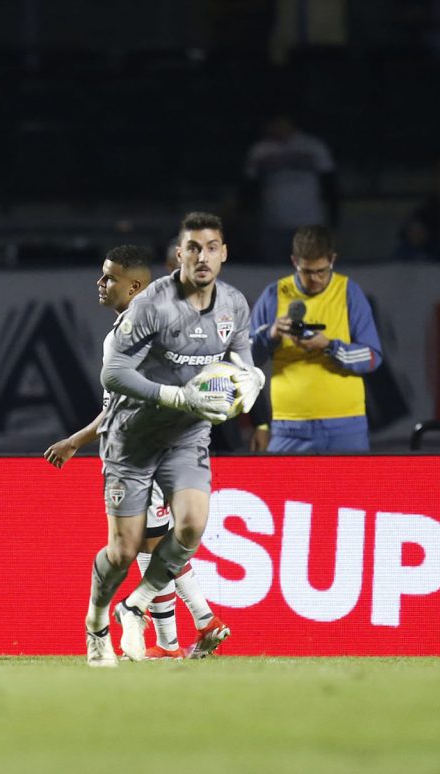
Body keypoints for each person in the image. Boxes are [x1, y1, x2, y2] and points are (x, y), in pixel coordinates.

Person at [84, 212, 264, 664]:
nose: (203, 256)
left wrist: (252, 385)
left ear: (224, 253)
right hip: (133, 438)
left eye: (212, 247)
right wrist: (179, 397)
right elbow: (114, 374)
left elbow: (241, 365)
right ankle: (98, 620)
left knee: (188, 527)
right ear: (178, 255)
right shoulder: (150, 308)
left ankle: (141, 611)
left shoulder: (235, 305)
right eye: (193, 248)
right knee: (125, 550)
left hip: (186, 436)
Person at [44, 245, 230, 663]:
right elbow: (117, 407)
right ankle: (108, 624)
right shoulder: (122, 336)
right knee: (130, 550)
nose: (100, 283)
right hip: (131, 451)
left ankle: (172, 632)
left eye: (108, 277)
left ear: (133, 287)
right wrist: (76, 441)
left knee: (164, 540)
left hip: (161, 452)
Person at [249, 225, 382, 453]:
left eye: (321, 271)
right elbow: (245, 361)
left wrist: (330, 346)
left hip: (345, 425)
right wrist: (270, 335)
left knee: (350, 490)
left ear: (332, 260)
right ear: (294, 262)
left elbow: (372, 356)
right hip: (288, 427)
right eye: (307, 272)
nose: (315, 279)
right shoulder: (274, 295)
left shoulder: (349, 292)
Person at [243, 114, 339, 263]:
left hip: (308, 222)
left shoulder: (313, 146)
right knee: (272, 272)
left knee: (310, 271)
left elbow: (329, 184)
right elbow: (249, 187)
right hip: (272, 222)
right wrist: (249, 218)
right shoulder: (260, 151)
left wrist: (334, 218)